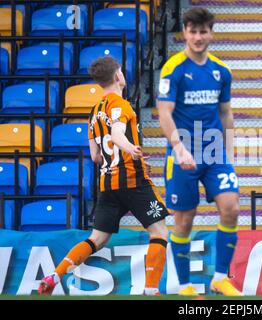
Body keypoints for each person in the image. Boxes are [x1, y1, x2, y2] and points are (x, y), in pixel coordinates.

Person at [38, 57, 169, 296]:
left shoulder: (94, 112)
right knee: (159, 232)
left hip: (106, 184)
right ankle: (151, 289)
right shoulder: (122, 105)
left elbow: (96, 155)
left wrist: (120, 152)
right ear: (118, 76)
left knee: (96, 239)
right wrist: (130, 149)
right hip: (132, 180)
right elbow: (117, 133)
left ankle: (54, 275)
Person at [157, 8, 241, 296]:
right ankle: (184, 286)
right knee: (184, 221)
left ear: (211, 33)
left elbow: (226, 112)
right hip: (183, 155)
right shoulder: (173, 69)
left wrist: (228, 152)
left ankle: (219, 278)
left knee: (231, 208)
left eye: (203, 31)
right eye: (192, 31)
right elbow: (164, 113)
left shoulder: (222, 71)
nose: (198, 37)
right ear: (185, 33)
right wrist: (179, 148)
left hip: (215, 152)